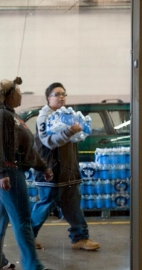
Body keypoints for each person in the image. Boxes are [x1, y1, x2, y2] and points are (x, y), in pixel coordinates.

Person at [0, 77, 54, 270]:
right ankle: (33, 267)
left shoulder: (12, 116)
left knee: (0, 216)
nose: (21, 95)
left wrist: (42, 167)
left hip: (5, 169)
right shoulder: (0, 115)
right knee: (22, 218)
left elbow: (27, 149)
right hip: (6, 170)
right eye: (18, 92)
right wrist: (1, 174)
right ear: (7, 95)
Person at [31, 82, 100, 251]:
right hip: (51, 171)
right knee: (46, 204)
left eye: (63, 94)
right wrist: (69, 132)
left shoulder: (67, 116)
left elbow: (73, 139)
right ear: (48, 98)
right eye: (57, 94)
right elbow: (48, 142)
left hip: (69, 170)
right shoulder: (44, 118)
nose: (61, 97)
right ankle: (27, 237)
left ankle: (80, 238)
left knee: (73, 204)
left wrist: (80, 131)